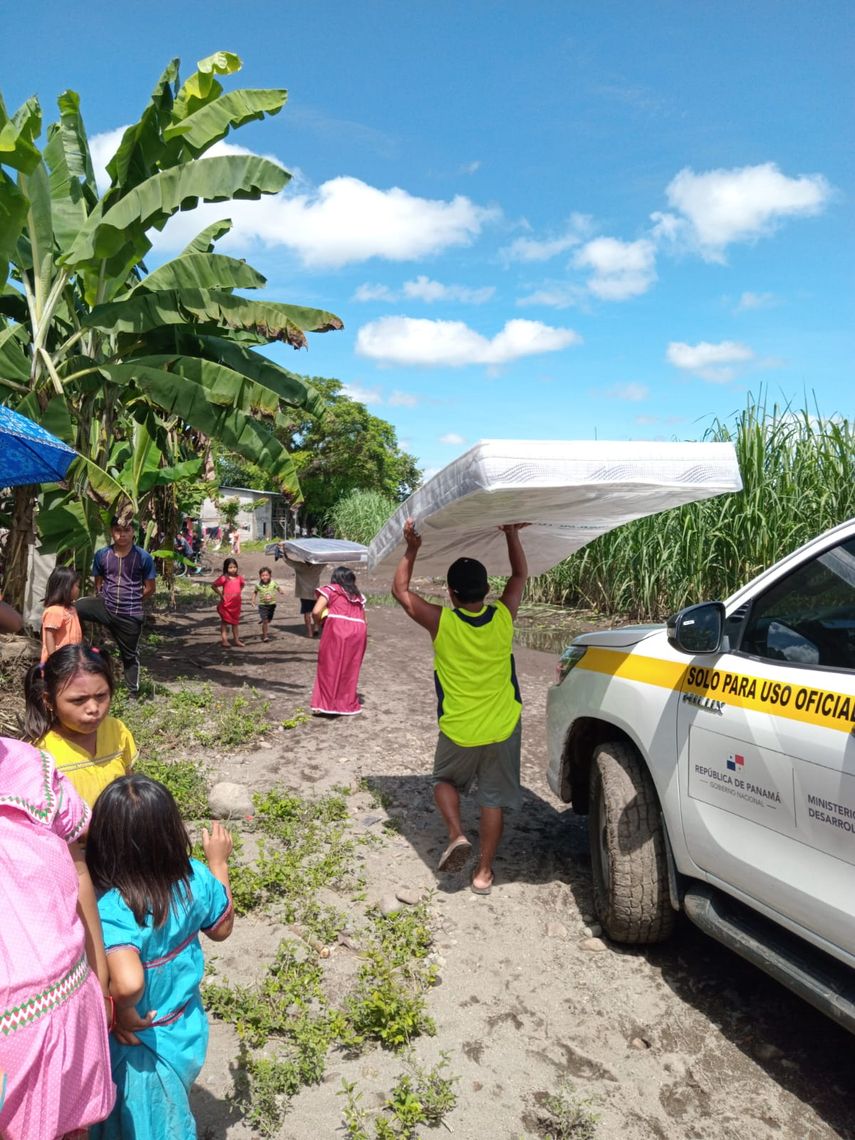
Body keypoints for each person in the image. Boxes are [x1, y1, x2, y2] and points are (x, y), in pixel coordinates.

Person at [86, 776, 234, 1139]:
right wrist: (218, 864)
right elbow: (222, 928)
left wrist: (122, 1009)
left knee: (151, 1123)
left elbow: (128, 982)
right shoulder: (194, 878)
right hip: (184, 1023)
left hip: (140, 1040)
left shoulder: (114, 907)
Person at [391, 520, 528, 895]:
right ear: (487, 590)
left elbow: (401, 591)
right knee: (492, 801)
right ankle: (483, 874)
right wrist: (511, 534)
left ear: (451, 593)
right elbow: (519, 576)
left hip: (460, 729)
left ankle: (456, 833)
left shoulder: (443, 621)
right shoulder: (503, 617)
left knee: (444, 781)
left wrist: (412, 547)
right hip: (503, 726)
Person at [0, 736, 115, 1139]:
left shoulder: (30, 767)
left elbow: (77, 868)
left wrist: (100, 978)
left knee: (71, 1127)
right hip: (38, 1015)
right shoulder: (29, 767)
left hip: (66, 1003)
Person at [22, 643, 137, 810]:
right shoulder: (39, 754)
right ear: (49, 701)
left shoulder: (116, 730)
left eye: (101, 696)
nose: (93, 708)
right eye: (78, 700)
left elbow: (130, 786)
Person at [76, 514, 156, 697]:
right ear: (112, 532)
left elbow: (150, 588)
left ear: (133, 532)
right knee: (76, 607)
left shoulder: (143, 557)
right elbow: (98, 581)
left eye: (127, 530)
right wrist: (102, 597)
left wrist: (133, 600)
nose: (122, 534)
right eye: (118, 530)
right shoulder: (102, 555)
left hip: (130, 614)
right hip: (106, 606)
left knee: (129, 655)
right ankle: (78, 649)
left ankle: (132, 693)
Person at [310, 566, 368, 715]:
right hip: (359, 630)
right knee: (350, 668)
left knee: (329, 666)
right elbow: (365, 619)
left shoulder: (331, 589)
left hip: (337, 628)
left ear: (335, 578)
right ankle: (345, 703)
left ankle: (325, 705)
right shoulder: (358, 595)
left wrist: (319, 622)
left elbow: (316, 611)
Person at [40, 567, 83, 663]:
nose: (79, 589)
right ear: (67, 588)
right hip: (58, 663)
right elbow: (49, 637)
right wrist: (54, 660)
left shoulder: (72, 609)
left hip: (70, 660)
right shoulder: (54, 611)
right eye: (77, 586)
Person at [283, 551, 323, 638]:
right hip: (315, 593)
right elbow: (326, 560)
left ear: (305, 559)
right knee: (316, 611)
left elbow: (287, 560)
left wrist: (283, 552)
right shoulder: (318, 566)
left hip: (304, 594)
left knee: (307, 613)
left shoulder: (300, 566)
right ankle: (316, 627)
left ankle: (309, 632)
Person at [211, 557, 246, 648]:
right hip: (226, 605)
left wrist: (238, 593)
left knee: (235, 623)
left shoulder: (239, 578)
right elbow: (214, 586)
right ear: (226, 568)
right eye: (230, 567)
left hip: (236, 605)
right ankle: (224, 640)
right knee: (224, 623)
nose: (233, 569)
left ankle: (236, 640)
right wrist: (221, 595)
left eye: (234, 567)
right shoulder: (224, 578)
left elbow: (242, 584)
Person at [253, 565, 283, 642]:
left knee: (269, 620)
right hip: (262, 605)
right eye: (262, 575)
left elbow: (278, 587)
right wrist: (253, 601)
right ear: (260, 576)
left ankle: (265, 619)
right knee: (265, 621)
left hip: (272, 605)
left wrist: (280, 591)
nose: (264, 577)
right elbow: (255, 592)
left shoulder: (273, 583)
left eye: (266, 575)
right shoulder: (258, 585)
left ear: (270, 575)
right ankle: (265, 636)